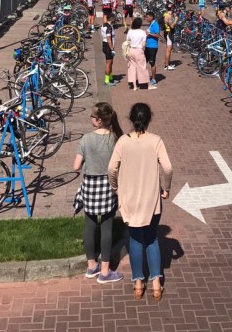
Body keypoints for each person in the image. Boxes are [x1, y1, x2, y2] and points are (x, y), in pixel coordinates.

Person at [108, 103, 173, 302]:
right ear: (149, 119)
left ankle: (138, 283)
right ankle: (156, 284)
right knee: (152, 239)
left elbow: (111, 168)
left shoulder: (123, 142)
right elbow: (168, 168)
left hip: (130, 200)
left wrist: (115, 187)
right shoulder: (156, 141)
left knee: (135, 240)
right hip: (151, 200)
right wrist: (166, 188)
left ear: (131, 118)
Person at [73, 102, 124, 284]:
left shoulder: (86, 139)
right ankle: (105, 271)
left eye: (92, 116)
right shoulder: (116, 139)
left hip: (90, 185)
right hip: (108, 185)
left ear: (99, 120)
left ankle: (91, 266)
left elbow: (76, 165)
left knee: (90, 225)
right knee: (107, 227)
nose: (91, 118)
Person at [126, 17, 151, 90]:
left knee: (132, 68)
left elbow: (127, 40)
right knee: (142, 67)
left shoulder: (130, 31)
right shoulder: (142, 32)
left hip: (131, 50)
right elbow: (143, 44)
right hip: (139, 50)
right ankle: (148, 84)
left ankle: (134, 86)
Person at [144, 11, 160, 89]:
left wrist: (149, 34)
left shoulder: (155, 24)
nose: (146, 18)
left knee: (152, 63)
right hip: (147, 46)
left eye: (147, 17)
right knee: (144, 62)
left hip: (153, 47)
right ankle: (144, 77)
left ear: (151, 17)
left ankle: (153, 79)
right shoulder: (151, 24)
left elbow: (158, 35)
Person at [101, 15, 116, 86]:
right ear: (112, 19)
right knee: (108, 63)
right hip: (108, 46)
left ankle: (110, 77)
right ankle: (107, 81)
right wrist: (112, 49)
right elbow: (109, 39)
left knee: (111, 62)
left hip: (105, 44)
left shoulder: (104, 25)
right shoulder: (109, 27)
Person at [163, 4, 177, 71]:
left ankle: (168, 62)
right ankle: (166, 66)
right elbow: (172, 26)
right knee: (168, 49)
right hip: (168, 33)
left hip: (168, 33)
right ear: (172, 8)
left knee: (169, 48)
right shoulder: (168, 16)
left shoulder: (167, 14)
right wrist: (176, 20)